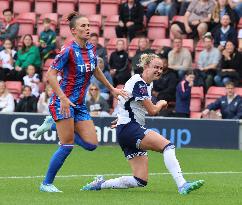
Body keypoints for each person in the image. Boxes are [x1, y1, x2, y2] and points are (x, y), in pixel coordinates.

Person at [81, 53, 204, 194]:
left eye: (161, 68)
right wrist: (161, 103)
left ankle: (100, 184)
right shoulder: (139, 83)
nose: (158, 70)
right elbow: (152, 110)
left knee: (140, 180)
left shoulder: (145, 83)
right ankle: (182, 184)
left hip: (126, 128)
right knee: (167, 146)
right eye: (155, 67)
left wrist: (120, 119)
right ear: (146, 66)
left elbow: (126, 103)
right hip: (130, 128)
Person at [34, 12, 127, 193]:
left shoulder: (91, 48)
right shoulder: (68, 50)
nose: (87, 29)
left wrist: (112, 88)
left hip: (79, 105)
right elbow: (50, 75)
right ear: (73, 30)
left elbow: (95, 70)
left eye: (88, 26)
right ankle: (46, 183)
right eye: (83, 26)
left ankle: (53, 125)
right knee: (67, 145)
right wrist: (62, 97)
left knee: (92, 145)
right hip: (63, 103)